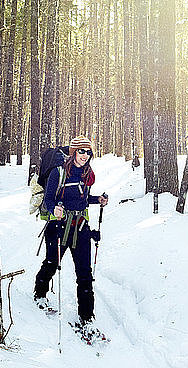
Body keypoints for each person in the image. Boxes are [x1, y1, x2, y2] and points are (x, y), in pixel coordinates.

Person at [34, 135, 108, 326]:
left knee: (84, 273)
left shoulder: (86, 174)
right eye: (81, 151)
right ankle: (39, 292)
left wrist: (97, 199)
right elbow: (48, 199)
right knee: (52, 263)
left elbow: (82, 198)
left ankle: (86, 316)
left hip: (80, 227)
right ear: (73, 152)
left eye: (88, 152)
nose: (85, 155)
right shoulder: (58, 173)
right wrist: (54, 209)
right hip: (58, 226)